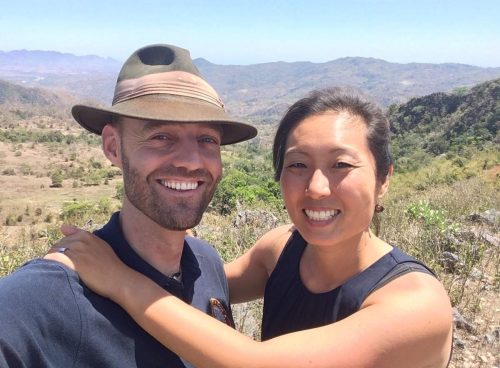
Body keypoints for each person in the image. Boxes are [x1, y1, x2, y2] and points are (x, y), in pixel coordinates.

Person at [47, 88, 454, 367]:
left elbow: (253, 363)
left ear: (384, 178)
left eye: (341, 165)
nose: (316, 187)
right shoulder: (281, 250)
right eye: (297, 165)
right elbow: (196, 284)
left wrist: (120, 280)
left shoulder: (416, 303)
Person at [0, 44, 257, 367]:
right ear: (113, 147)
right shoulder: (47, 296)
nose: (192, 162)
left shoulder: (206, 264)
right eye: (161, 136)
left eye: (207, 139)